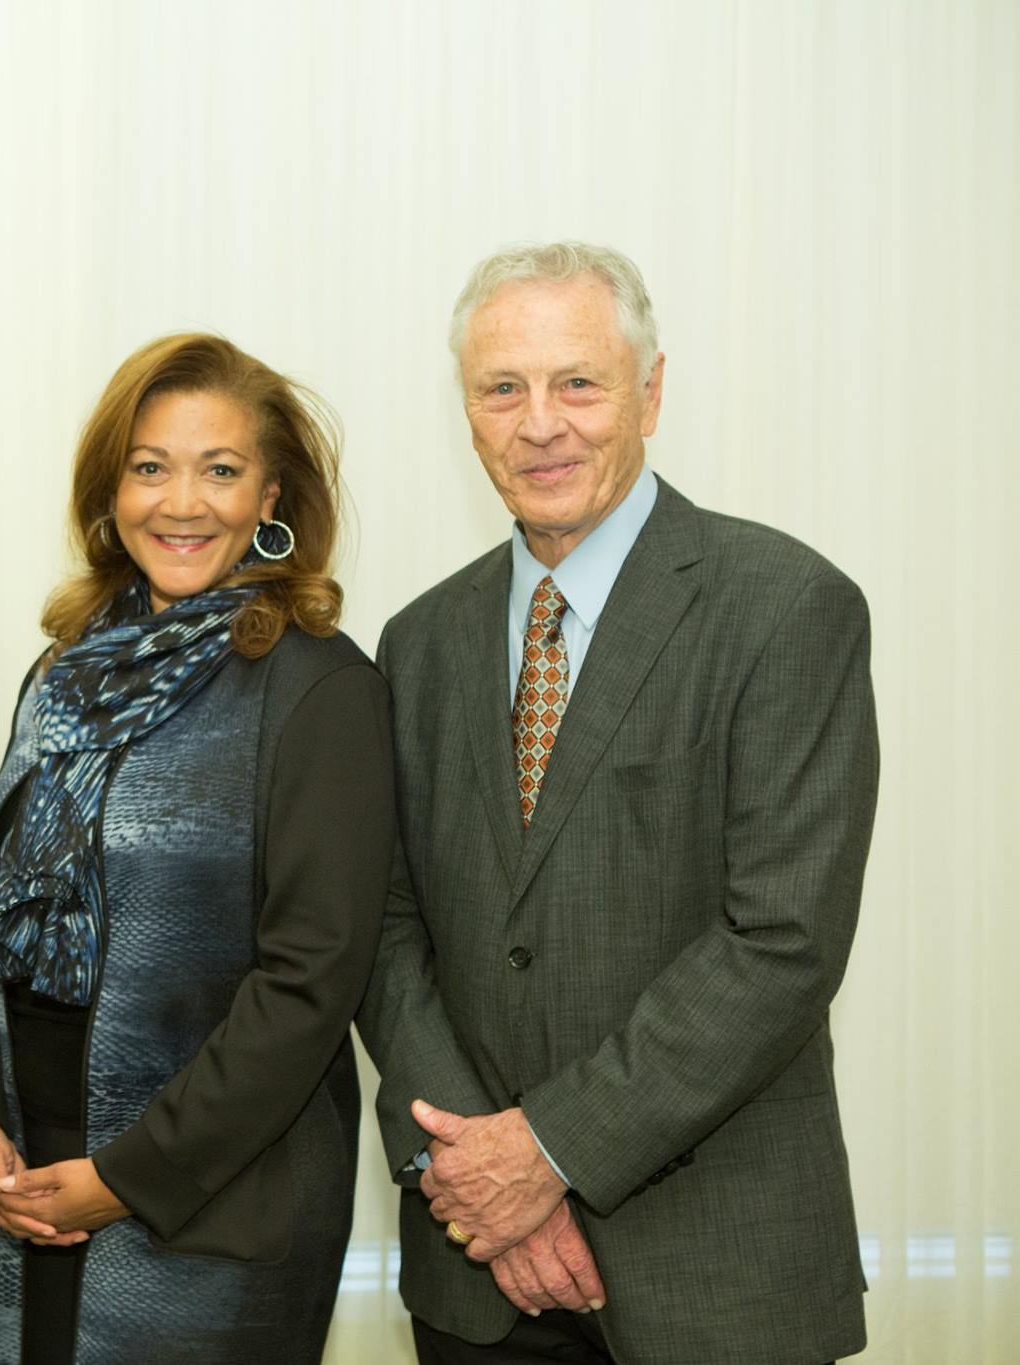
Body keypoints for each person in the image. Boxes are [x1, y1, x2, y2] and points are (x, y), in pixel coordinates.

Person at [356, 242, 878, 1365]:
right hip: (474, 1279)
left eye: (576, 382)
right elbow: (385, 930)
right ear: (467, 411)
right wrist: (471, 1172)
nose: (538, 423)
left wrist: (544, 1155)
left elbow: (779, 941)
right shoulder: (417, 643)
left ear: (648, 391)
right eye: (501, 388)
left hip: (716, 1283)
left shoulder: (783, 608)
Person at [0, 333, 397, 1362]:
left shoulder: (318, 690)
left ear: (269, 497)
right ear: (111, 489)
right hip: (29, 1173)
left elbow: (309, 982)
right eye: (150, 467)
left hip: (211, 1211)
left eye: (219, 470)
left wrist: (124, 1179)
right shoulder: (61, 668)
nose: (180, 502)